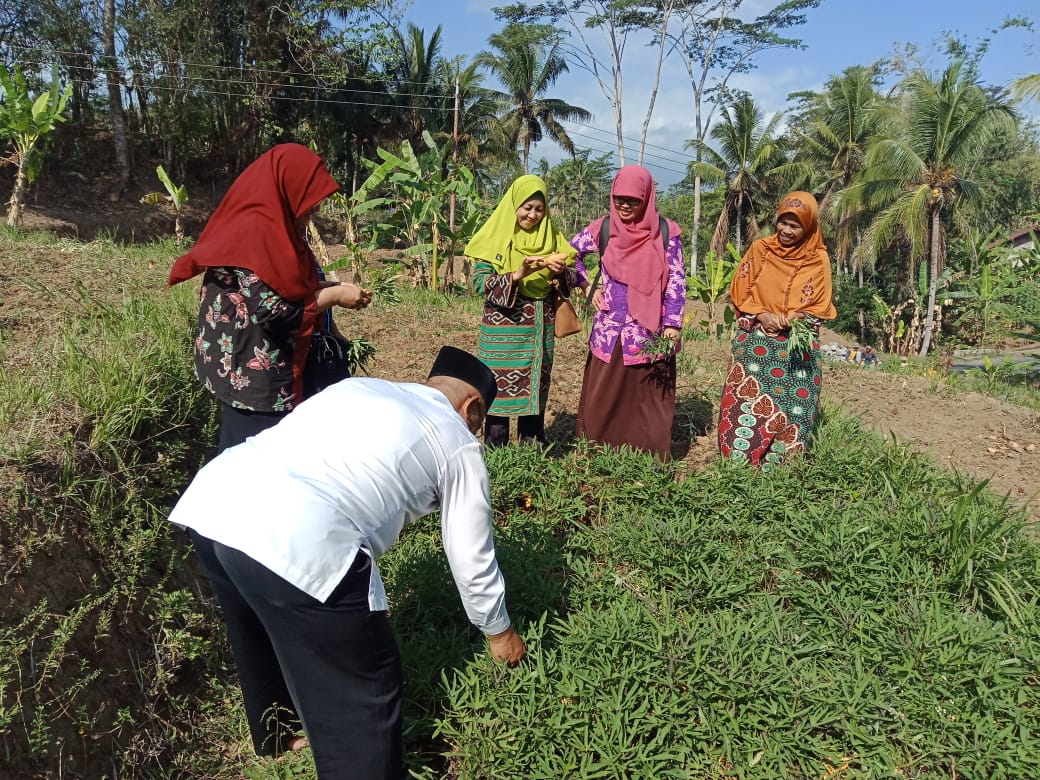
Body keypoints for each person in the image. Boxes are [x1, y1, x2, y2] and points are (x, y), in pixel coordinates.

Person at [167, 346, 527, 779]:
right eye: (481, 421)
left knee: (257, 626)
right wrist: (499, 630)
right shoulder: (456, 442)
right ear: (472, 408)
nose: (477, 432)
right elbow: (471, 555)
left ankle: (278, 735)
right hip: (301, 531)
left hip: (218, 497)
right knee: (365, 695)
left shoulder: (364, 387)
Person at [168, 143, 372, 453]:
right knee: (252, 464)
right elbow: (274, 312)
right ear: (288, 186)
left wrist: (330, 308)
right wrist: (336, 294)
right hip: (253, 378)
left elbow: (292, 283)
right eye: (311, 199)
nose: (315, 209)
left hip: (269, 367)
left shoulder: (280, 226)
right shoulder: (255, 233)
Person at [569, 165, 686, 460]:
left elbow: (676, 279)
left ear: (646, 198)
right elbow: (570, 255)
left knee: (648, 396)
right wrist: (586, 286)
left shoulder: (665, 232)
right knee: (602, 394)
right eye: (619, 198)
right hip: (611, 327)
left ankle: (646, 457)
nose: (624, 205)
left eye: (633, 200)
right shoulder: (604, 228)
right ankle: (597, 452)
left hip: (650, 331)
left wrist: (673, 323)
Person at [718, 191, 837, 467]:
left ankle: (779, 472)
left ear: (808, 227)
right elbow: (740, 290)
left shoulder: (818, 260)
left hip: (797, 345)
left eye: (795, 226)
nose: (785, 230)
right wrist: (762, 314)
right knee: (745, 400)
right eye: (783, 222)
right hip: (755, 341)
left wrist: (791, 318)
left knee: (795, 406)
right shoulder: (762, 249)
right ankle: (737, 466)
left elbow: (820, 304)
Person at [466, 174, 579, 447]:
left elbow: (574, 279)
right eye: (527, 208)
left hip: (540, 326)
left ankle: (533, 445)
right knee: (498, 387)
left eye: (539, 209)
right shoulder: (495, 238)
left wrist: (562, 273)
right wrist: (517, 274)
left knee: (535, 385)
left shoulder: (552, 237)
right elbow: (480, 283)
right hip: (502, 330)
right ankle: (497, 446)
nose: (533, 215)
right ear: (514, 205)